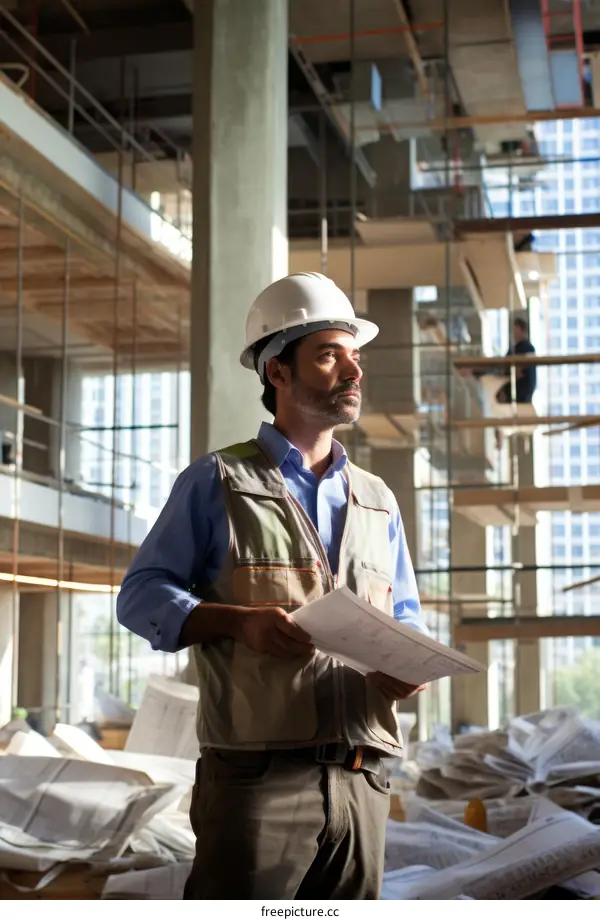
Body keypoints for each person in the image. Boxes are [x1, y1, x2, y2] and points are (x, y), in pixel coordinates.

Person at [116, 272, 428, 900]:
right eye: (328, 354)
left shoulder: (376, 498)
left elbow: (406, 615)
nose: (352, 371)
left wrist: (411, 663)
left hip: (363, 780)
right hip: (258, 782)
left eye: (355, 356)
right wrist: (237, 621)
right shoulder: (218, 480)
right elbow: (141, 594)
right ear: (276, 371)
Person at [495, 317, 537, 405]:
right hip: (515, 386)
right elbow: (504, 363)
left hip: (522, 389)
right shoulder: (514, 349)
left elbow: (523, 370)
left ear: (522, 331)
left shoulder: (528, 348)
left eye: (516, 330)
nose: (514, 333)